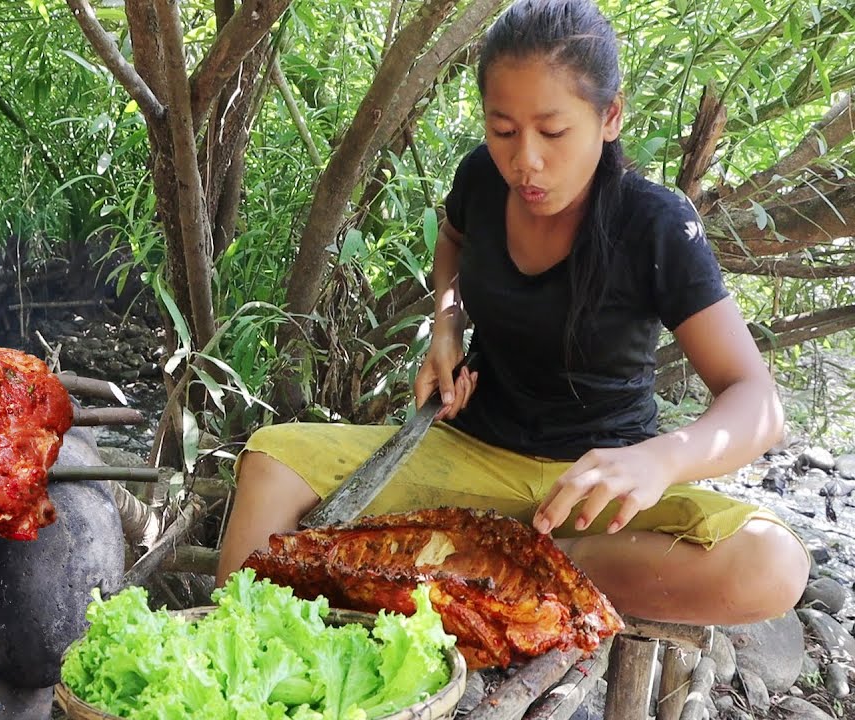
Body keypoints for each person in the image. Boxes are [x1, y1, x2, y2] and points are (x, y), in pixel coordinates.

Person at [215, 0, 809, 625]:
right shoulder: (482, 180)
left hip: (593, 486)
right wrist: (446, 327)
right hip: (473, 453)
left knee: (772, 565)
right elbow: (454, 239)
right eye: (502, 131)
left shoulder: (655, 224)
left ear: (610, 116)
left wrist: (660, 460)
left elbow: (756, 402)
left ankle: (513, 564)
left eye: (553, 133)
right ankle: (237, 658)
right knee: (271, 462)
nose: (525, 159)